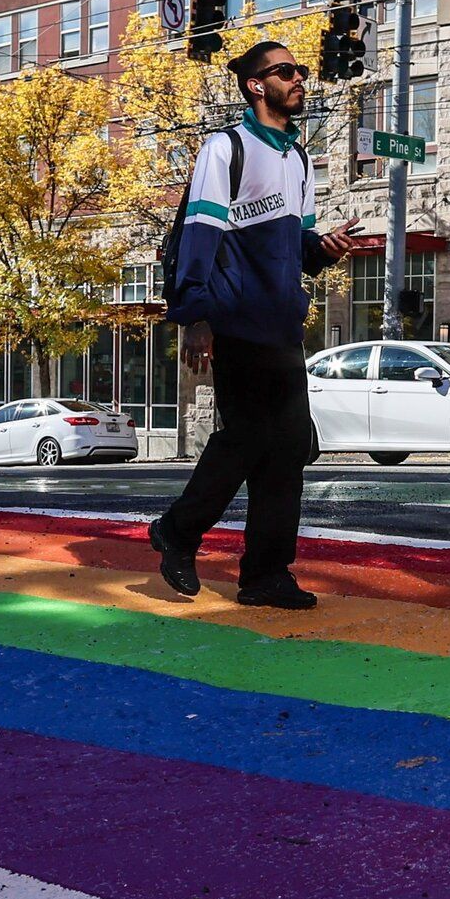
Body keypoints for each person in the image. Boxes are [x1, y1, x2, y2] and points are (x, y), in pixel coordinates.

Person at [150, 40, 363, 609]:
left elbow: (296, 248)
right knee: (247, 437)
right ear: (255, 85)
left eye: (300, 71)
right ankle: (178, 531)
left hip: (281, 322)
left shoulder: (299, 159)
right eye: (286, 72)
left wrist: (325, 250)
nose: (299, 80)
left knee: (288, 447)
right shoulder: (226, 149)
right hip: (234, 317)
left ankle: (266, 575)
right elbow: (199, 232)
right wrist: (194, 314)